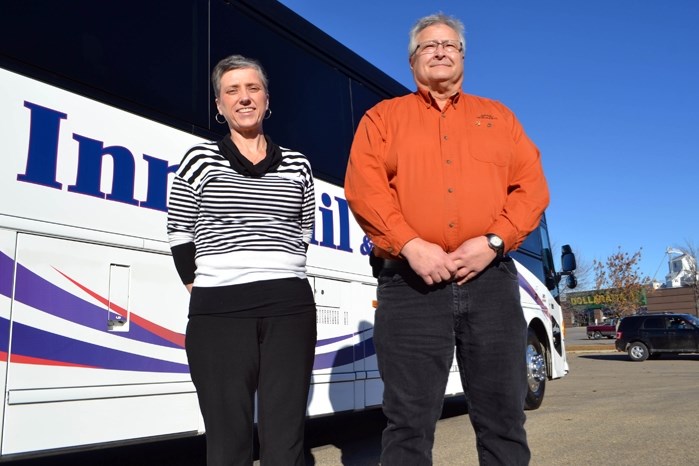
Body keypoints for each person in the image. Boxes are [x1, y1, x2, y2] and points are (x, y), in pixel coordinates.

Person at [344, 13, 550, 466]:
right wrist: (411, 246)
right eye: (428, 46)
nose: (440, 51)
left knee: (504, 419)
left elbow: (531, 189)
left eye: (450, 45)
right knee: (408, 424)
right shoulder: (382, 118)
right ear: (412, 60)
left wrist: (493, 241)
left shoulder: (499, 118)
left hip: (491, 285)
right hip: (410, 287)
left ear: (463, 56)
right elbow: (365, 188)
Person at [167, 55, 317, 466]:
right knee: (227, 440)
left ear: (267, 100)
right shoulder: (198, 160)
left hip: (290, 307)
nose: (244, 98)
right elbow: (180, 231)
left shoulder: (298, 165)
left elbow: (303, 233)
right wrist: (203, 283)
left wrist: (275, 270)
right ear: (219, 106)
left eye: (253, 89)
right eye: (232, 91)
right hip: (219, 310)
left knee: (286, 441)